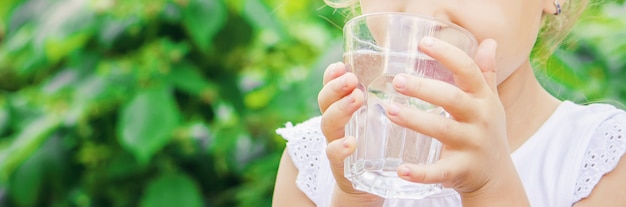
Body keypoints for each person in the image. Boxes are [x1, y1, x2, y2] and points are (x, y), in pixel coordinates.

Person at [273, 0, 626, 206]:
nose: (424, 13)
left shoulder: (601, 162)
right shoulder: (312, 162)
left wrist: (491, 185)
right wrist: (356, 195)